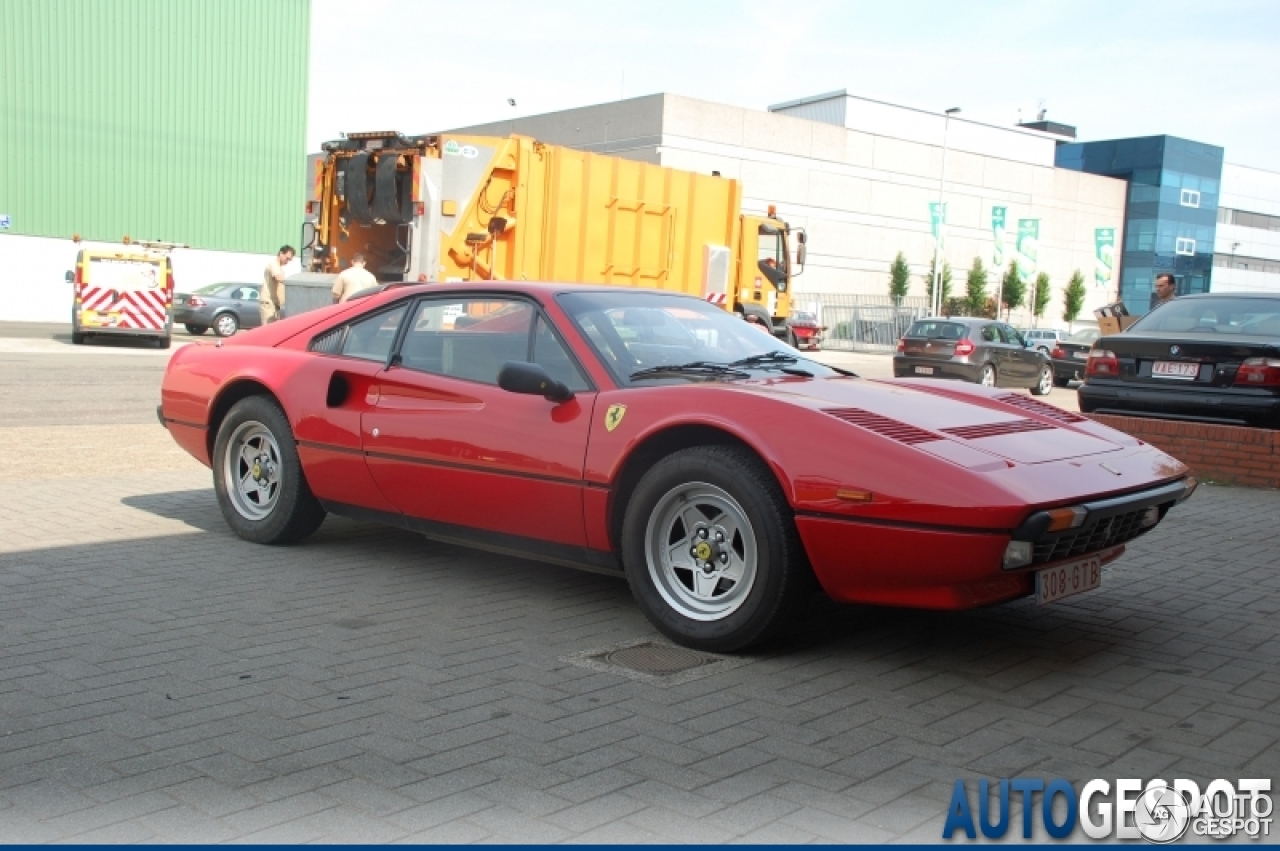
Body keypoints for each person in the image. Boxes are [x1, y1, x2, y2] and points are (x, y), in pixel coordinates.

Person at [260, 245, 294, 324]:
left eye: (289, 260)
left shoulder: (279, 267)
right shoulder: (274, 265)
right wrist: (292, 284)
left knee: (274, 331)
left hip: (275, 305)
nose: (287, 261)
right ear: (281, 253)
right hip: (269, 304)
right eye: (287, 258)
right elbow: (278, 277)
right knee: (268, 332)